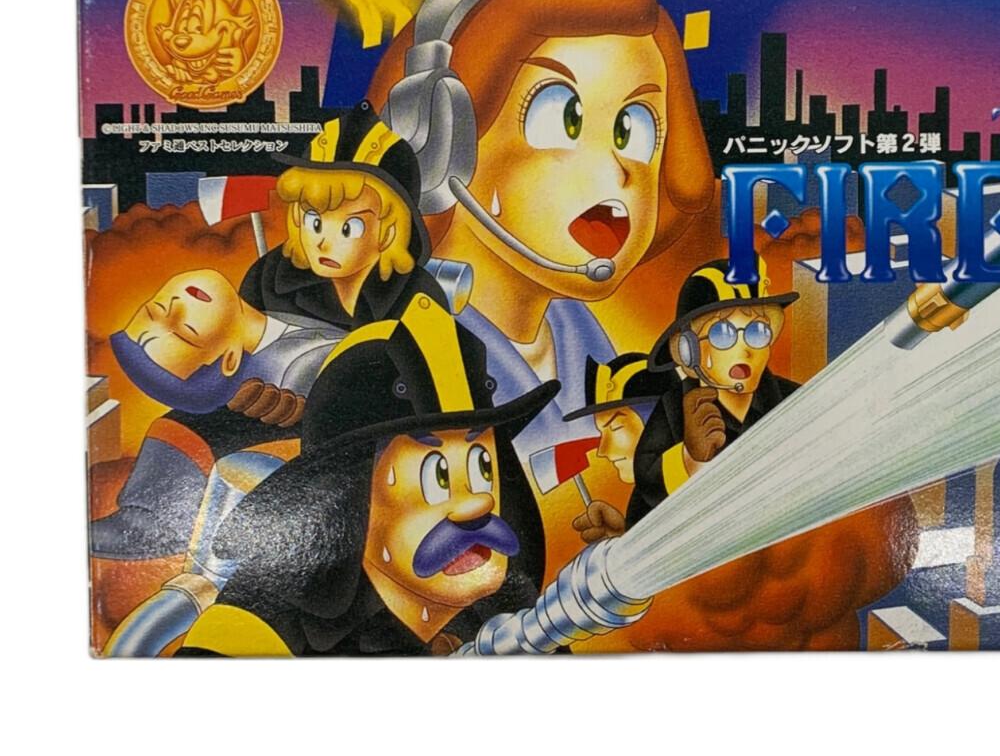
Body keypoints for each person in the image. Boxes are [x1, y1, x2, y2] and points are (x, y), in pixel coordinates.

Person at [365, 0, 715, 463]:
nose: (616, 172)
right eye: (562, 117)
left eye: (633, 128)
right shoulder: (397, 353)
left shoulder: (585, 340)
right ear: (439, 141)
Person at [169, 295, 557, 656]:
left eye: (482, 467)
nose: (478, 503)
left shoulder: (521, 622)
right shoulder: (252, 632)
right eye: (436, 476)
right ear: (347, 498)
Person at [94, 268, 341, 564]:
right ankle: (151, 518)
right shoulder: (296, 371)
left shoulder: (268, 280)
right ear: (230, 360)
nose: (174, 307)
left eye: (154, 310)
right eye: (186, 332)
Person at [240, 101, 449, 330]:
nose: (323, 243)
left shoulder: (419, 297)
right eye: (314, 221)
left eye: (349, 228)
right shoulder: (266, 280)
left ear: (389, 232)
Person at [628, 258, 799, 524]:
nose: (745, 349)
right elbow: (647, 483)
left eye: (757, 331)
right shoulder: (674, 407)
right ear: (688, 350)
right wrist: (690, 458)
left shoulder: (794, 400)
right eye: (723, 334)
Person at [560, 352, 675, 540]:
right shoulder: (645, 497)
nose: (602, 451)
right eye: (602, 432)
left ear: (659, 420)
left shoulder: (694, 472)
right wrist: (625, 536)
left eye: (616, 427)